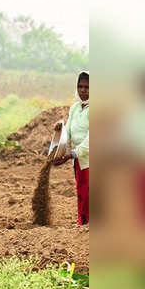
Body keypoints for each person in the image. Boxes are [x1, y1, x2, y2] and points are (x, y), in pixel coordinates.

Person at [54, 71, 89, 225]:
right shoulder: (75, 108)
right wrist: (60, 130)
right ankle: (83, 223)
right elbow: (68, 131)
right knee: (81, 192)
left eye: (87, 87)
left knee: (89, 193)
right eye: (80, 86)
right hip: (78, 159)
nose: (83, 90)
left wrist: (72, 154)